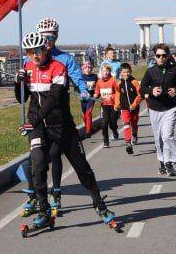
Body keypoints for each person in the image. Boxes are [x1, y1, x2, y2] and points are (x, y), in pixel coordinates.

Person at [15, 32, 120, 235]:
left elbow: (52, 100)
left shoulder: (58, 67)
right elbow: (22, 99)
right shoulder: (27, 68)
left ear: (45, 49)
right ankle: (44, 211)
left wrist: (32, 121)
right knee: (37, 164)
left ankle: (99, 204)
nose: (34, 56)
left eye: (37, 51)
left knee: (82, 168)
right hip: (38, 127)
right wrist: (18, 82)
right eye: (29, 52)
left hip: (61, 126)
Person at [140, 43, 176, 176]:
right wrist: (151, 90)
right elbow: (142, 87)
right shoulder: (150, 71)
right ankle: (162, 161)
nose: (161, 58)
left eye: (164, 56)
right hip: (155, 108)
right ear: (155, 56)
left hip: (170, 107)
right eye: (158, 55)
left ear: (167, 56)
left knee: (167, 136)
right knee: (158, 137)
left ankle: (170, 162)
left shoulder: (174, 70)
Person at [117, 63, 142, 154]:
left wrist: (134, 104)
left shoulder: (134, 82)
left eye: (128, 72)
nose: (126, 74)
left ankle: (134, 134)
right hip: (124, 108)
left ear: (130, 72)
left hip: (134, 108)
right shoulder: (119, 83)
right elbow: (117, 94)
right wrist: (117, 104)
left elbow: (140, 94)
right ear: (121, 73)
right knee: (126, 124)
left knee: (134, 123)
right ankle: (128, 142)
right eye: (124, 72)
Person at [94, 64, 119, 148]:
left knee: (112, 123)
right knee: (104, 124)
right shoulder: (99, 82)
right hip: (104, 105)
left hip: (113, 105)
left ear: (110, 71)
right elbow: (97, 92)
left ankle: (115, 131)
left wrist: (111, 97)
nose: (105, 72)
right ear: (101, 72)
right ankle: (106, 141)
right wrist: (95, 95)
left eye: (107, 70)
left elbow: (118, 93)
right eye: (104, 70)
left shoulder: (113, 80)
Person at [80, 61, 98, 136]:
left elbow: (98, 86)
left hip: (91, 98)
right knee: (85, 115)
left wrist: (96, 94)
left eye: (89, 67)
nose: (87, 69)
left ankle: (88, 131)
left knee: (88, 113)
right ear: (83, 69)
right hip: (83, 99)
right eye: (85, 68)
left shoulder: (94, 76)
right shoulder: (81, 77)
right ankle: (88, 126)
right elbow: (77, 87)